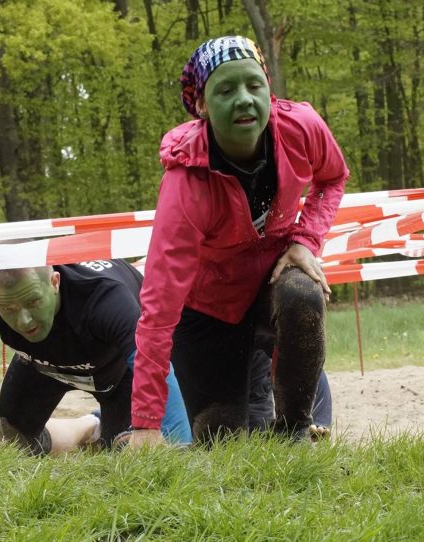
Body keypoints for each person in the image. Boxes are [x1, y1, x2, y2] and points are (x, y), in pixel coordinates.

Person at [128, 36, 348, 447]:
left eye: (253, 85)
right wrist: (145, 422)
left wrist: (305, 240)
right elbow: (158, 307)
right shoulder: (185, 183)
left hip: (270, 285)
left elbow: (333, 177)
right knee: (224, 441)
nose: (244, 100)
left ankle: (296, 430)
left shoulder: (302, 127)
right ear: (202, 105)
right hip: (208, 310)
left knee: (302, 291)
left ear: (269, 89)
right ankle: (245, 418)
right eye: (225, 90)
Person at [0, 259, 191, 454]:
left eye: (33, 302)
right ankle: (88, 426)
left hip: (121, 372)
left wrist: (180, 459)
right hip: (40, 366)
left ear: (54, 281)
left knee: (131, 456)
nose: (25, 320)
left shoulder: (105, 297)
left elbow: (156, 370)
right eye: (8, 309)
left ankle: (104, 428)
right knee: (5, 448)